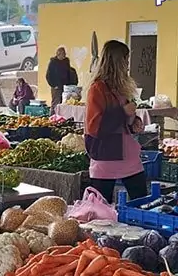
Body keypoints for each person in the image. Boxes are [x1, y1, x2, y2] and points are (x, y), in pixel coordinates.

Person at [85, 40, 147, 203]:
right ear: (116, 62)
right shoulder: (97, 88)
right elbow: (94, 127)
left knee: (142, 200)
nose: (127, 65)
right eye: (125, 60)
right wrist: (122, 112)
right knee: (100, 207)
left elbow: (123, 119)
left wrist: (134, 122)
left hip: (128, 154)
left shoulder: (120, 87)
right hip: (106, 155)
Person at [46, 46, 77, 113]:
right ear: (58, 54)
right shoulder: (53, 62)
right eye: (63, 54)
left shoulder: (66, 61)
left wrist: (71, 83)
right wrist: (54, 85)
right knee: (56, 102)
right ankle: (53, 117)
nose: (64, 55)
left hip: (66, 86)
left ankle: (62, 117)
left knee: (65, 102)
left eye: (65, 53)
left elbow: (68, 71)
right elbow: (48, 76)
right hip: (56, 86)